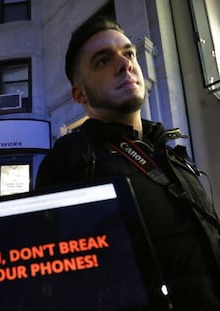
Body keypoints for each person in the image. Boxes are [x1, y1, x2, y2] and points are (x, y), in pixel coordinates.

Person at [36, 15, 220, 310]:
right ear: (79, 94)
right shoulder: (70, 160)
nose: (126, 64)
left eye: (128, 53)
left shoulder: (167, 149)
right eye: (103, 61)